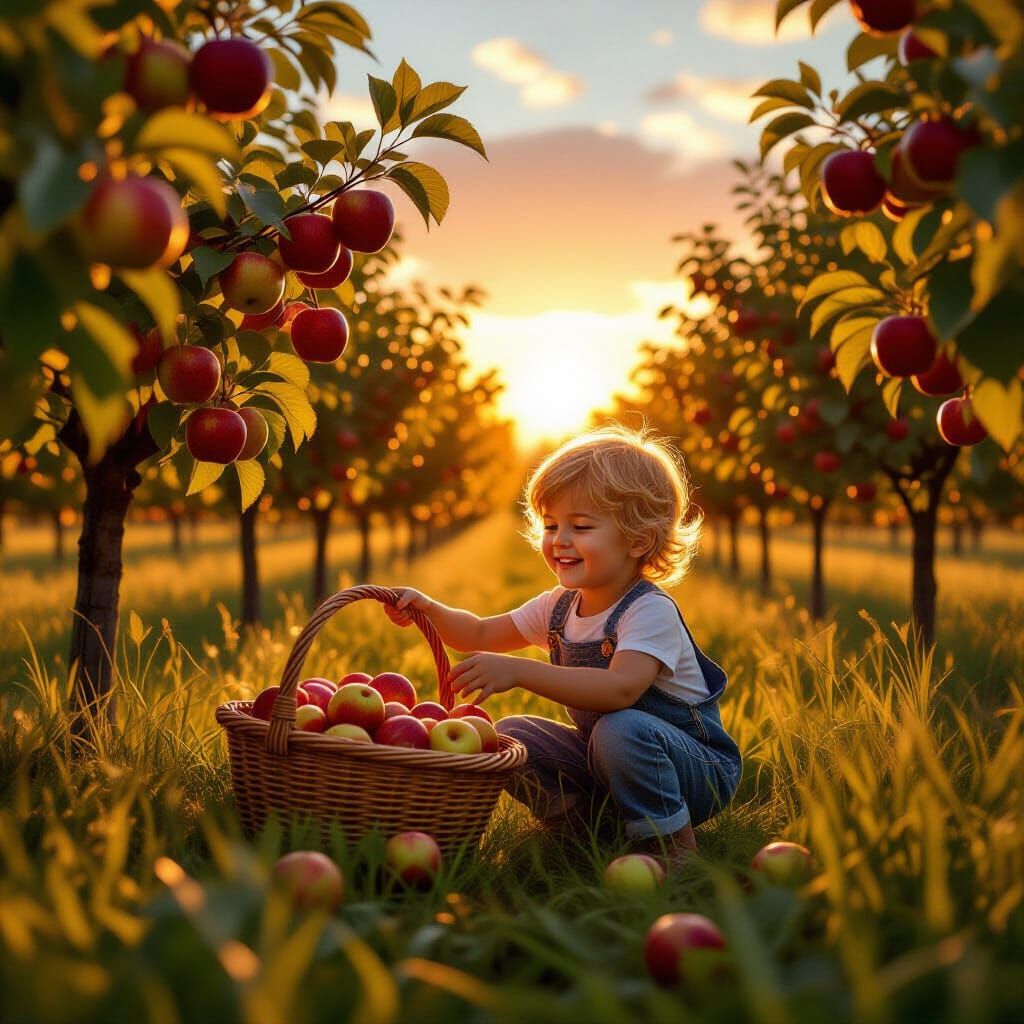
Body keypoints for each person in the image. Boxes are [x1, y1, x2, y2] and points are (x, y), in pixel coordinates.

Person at [384, 422, 742, 866]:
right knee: (509, 736)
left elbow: (620, 691)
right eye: (551, 524)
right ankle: (578, 825)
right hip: (609, 760)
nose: (560, 540)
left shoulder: (649, 611)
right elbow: (476, 633)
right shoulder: (558, 607)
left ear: (639, 540)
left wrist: (519, 671)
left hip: (694, 774)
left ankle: (673, 847)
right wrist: (428, 609)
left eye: (581, 526)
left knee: (621, 728)